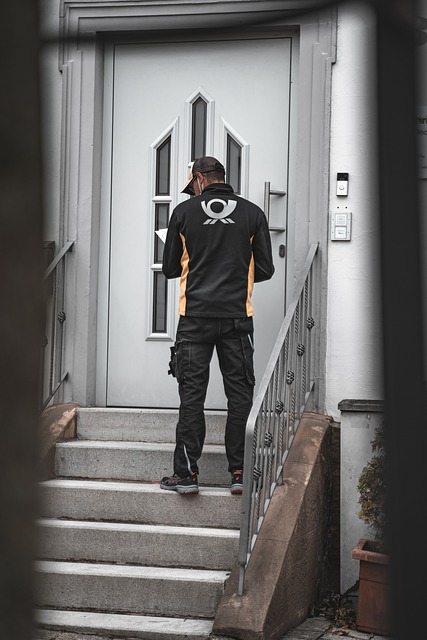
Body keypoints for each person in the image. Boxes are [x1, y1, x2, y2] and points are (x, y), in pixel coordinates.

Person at [160, 156, 274, 495]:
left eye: (192, 186)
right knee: (239, 397)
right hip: (237, 318)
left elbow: (170, 269)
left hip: (194, 318)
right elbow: (265, 269)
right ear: (221, 177)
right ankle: (240, 473)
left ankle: (186, 475)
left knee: (191, 396)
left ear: (199, 178)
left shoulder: (183, 213)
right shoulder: (253, 213)